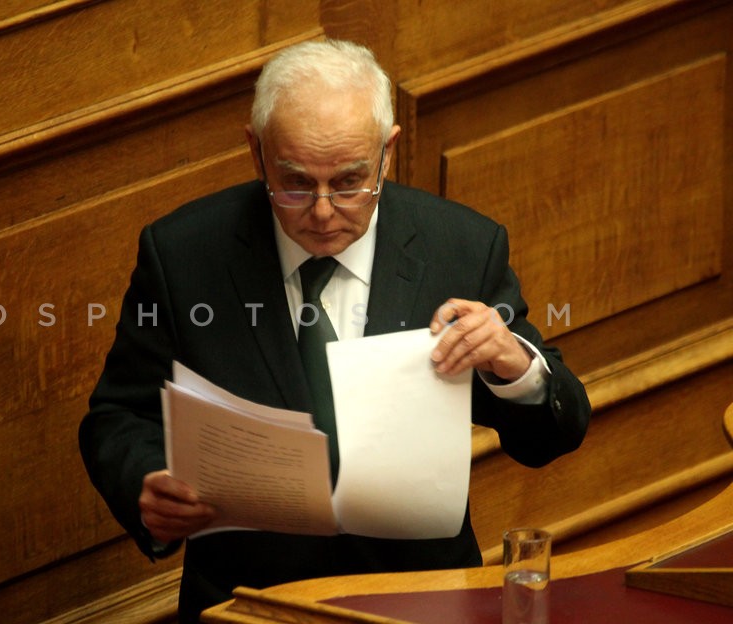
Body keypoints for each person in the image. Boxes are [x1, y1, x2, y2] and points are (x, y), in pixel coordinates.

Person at [79, 39, 590, 622]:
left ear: (387, 154)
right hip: (246, 603)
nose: (322, 212)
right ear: (256, 152)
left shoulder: (462, 246)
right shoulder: (183, 254)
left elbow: (557, 428)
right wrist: (146, 482)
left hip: (418, 600)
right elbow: (117, 416)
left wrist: (514, 367)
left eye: (350, 182)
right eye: (294, 183)